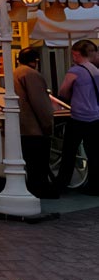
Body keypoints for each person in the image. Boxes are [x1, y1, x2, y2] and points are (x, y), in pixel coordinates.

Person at [55, 39, 99, 195]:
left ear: (77, 53)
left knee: (69, 151)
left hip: (79, 116)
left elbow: (63, 91)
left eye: (73, 54)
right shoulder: (95, 70)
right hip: (95, 116)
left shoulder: (75, 71)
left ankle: (62, 183)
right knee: (94, 153)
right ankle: (95, 186)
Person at [12, 47, 56, 199]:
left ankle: (34, 188)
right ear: (35, 60)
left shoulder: (15, 72)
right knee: (39, 163)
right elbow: (40, 103)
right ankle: (41, 190)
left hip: (22, 125)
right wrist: (48, 123)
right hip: (34, 126)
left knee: (30, 163)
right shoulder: (31, 74)